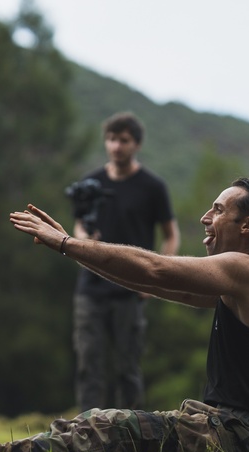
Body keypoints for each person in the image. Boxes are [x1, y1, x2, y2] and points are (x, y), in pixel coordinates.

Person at [0, 178, 249, 452]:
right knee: (94, 421)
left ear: (248, 225)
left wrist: (68, 243)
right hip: (223, 431)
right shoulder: (243, 285)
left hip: (236, 440)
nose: (205, 218)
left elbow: (156, 267)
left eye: (219, 210)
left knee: (112, 426)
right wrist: (74, 248)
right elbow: (147, 281)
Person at [69, 112, 179, 411]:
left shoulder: (152, 186)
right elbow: (78, 225)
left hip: (131, 288)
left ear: (137, 145)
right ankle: (84, 434)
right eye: (112, 139)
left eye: (124, 140)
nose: (117, 146)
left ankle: (129, 434)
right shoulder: (91, 182)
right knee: (88, 365)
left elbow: (171, 234)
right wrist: (85, 240)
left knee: (127, 368)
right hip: (90, 289)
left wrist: (157, 278)